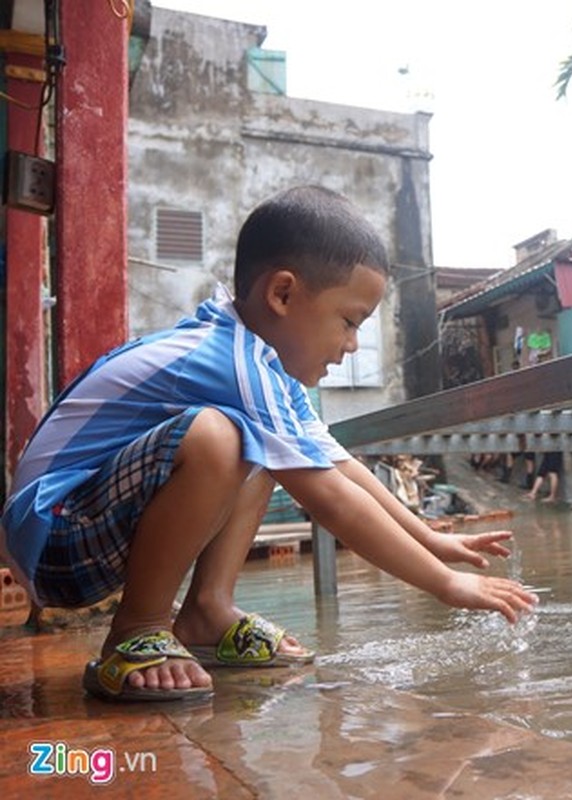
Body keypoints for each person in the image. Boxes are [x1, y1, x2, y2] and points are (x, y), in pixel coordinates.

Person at [0, 186, 537, 703]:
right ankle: (136, 632)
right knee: (217, 437)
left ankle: (207, 611)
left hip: (83, 529)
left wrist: (432, 539)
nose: (352, 345)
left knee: (262, 444)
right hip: (54, 538)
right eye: (348, 322)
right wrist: (444, 584)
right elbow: (328, 496)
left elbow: (337, 463)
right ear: (282, 294)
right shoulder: (233, 360)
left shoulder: (264, 373)